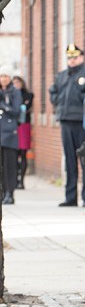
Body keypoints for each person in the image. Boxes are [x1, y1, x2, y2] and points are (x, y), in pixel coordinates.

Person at [49, 43, 85, 207]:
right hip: (66, 121)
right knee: (69, 161)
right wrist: (58, 103)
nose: (72, 60)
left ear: (81, 58)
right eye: (69, 58)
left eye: (74, 57)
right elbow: (53, 91)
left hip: (81, 122)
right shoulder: (62, 75)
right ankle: (70, 197)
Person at [0, 66, 23, 204]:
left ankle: (10, 192)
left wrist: (3, 104)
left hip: (9, 133)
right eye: (1, 76)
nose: (3, 79)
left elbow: (15, 111)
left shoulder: (14, 92)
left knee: (10, 165)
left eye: (5, 76)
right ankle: (2, 192)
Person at [12, 76, 33, 190]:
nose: (16, 84)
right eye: (14, 82)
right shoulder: (10, 95)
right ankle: (14, 179)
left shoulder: (28, 95)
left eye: (18, 82)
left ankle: (22, 180)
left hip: (24, 125)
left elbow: (27, 106)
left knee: (23, 152)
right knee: (14, 154)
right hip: (14, 126)